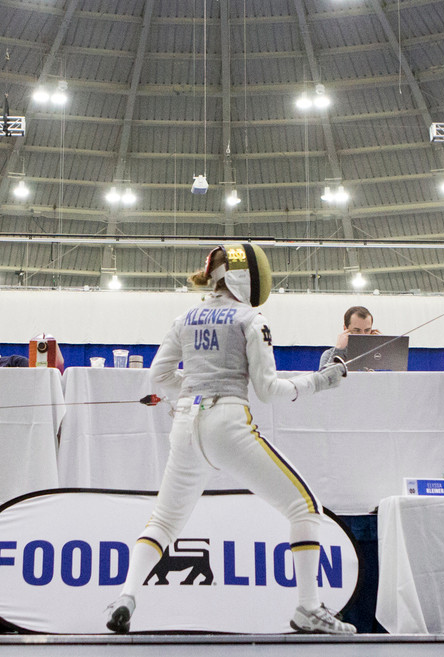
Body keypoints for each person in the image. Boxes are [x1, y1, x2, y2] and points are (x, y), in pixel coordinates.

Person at [103, 243, 355, 635]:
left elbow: (159, 376)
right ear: (247, 277)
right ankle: (307, 606)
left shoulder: (185, 316)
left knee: (165, 520)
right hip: (227, 422)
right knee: (305, 508)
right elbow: (269, 390)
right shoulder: (250, 318)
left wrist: (192, 389)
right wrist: (321, 381)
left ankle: (126, 596)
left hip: (185, 424)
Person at [318, 305, 379, 370]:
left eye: (367, 330)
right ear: (345, 329)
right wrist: (339, 350)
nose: (363, 335)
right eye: (357, 330)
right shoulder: (329, 355)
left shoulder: (378, 355)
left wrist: (384, 347)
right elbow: (325, 378)